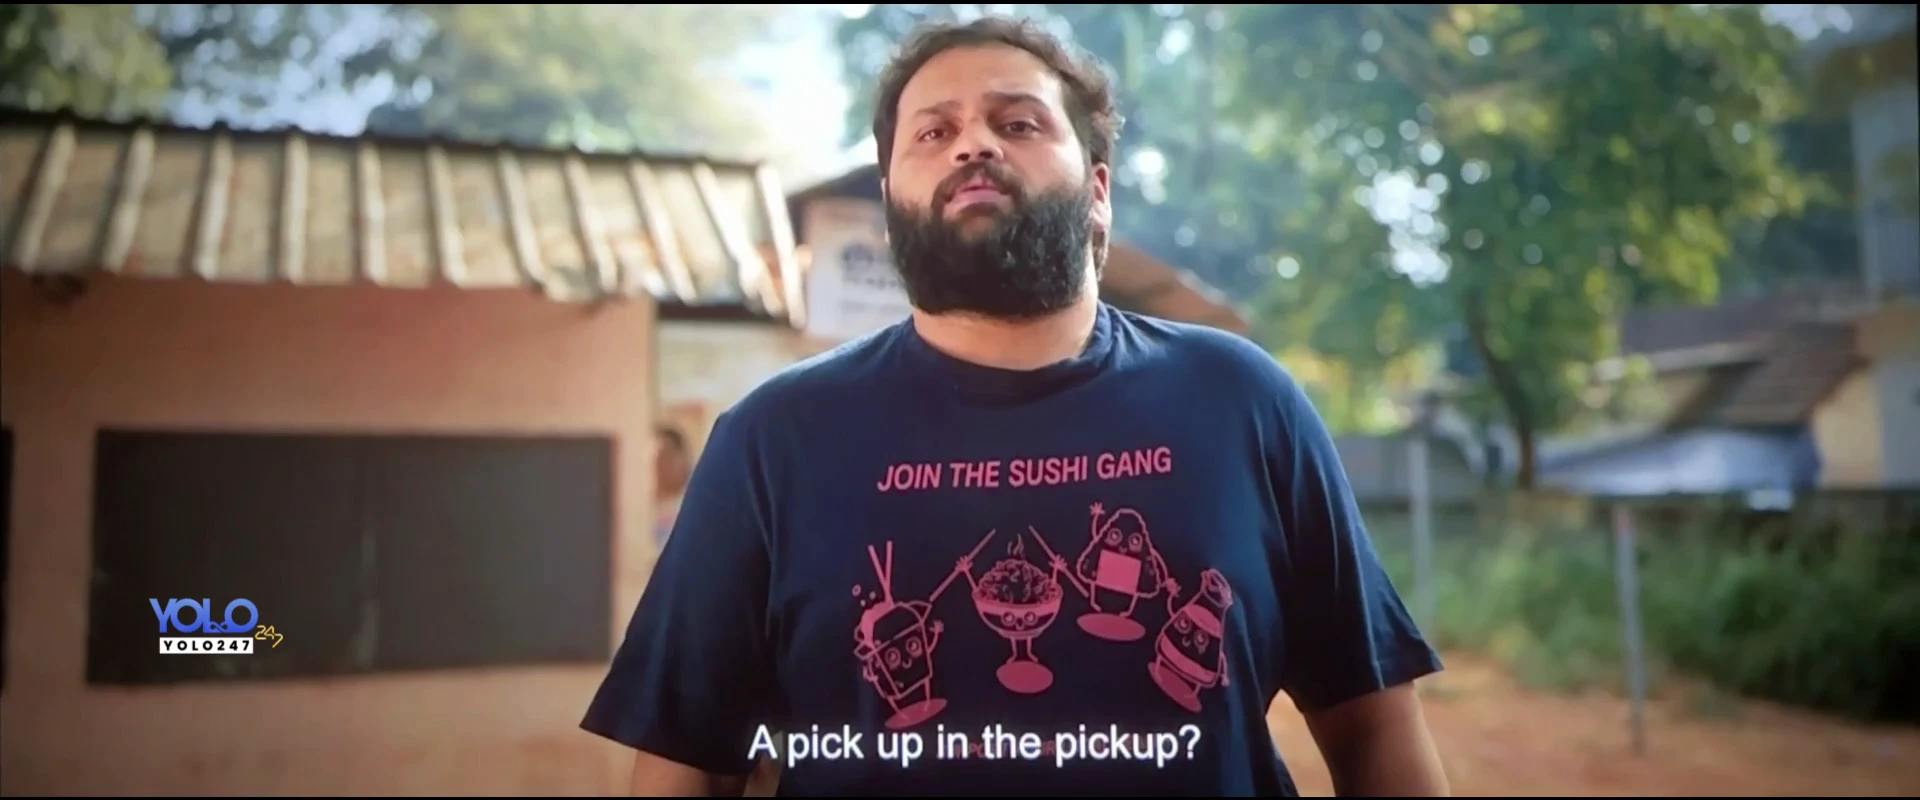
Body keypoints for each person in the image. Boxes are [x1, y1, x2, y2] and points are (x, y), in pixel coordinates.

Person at [582, 15, 1451, 798]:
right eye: (934, 131)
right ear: (889, 200)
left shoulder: (1242, 400)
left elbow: (1373, 727)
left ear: (1099, 189)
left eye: (1019, 122)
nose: (973, 145)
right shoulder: (772, 440)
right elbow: (686, 764)